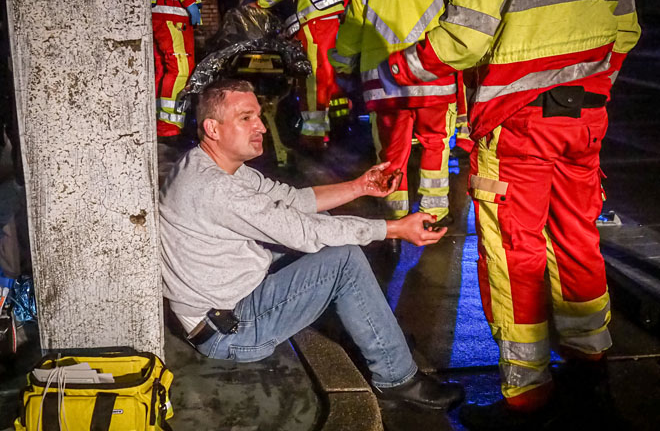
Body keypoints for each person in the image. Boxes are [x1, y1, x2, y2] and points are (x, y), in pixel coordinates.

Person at [378, 0, 640, 428]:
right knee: (577, 243)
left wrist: (399, 66)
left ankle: (528, 399)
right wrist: (590, 82)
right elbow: (626, 30)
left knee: (514, 256)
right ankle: (590, 379)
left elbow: (465, 38)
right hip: (585, 118)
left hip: (517, 123)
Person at [159, 78, 464, 410]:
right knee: (343, 258)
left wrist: (360, 187)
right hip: (228, 331)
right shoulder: (217, 189)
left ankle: (374, 329)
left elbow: (293, 201)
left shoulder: (209, 165)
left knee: (321, 235)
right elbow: (304, 231)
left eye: (259, 116)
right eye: (246, 117)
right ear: (213, 128)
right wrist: (393, 229)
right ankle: (397, 378)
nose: (260, 125)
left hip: (224, 305)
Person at [328, 0, 467, 229]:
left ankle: (395, 215)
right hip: (432, 76)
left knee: (391, 152)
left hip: (383, 83)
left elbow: (350, 35)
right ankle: (434, 214)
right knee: (436, 144)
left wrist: (342, 64)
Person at [253, 0, 351, 151]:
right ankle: (323, 132)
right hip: (330, 13)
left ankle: (313, 137)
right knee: (325, 76)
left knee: (313, 77)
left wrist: (260, 3)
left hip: (315, 15)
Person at [151, 0, 203, 139]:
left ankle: (160, 122)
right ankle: (169, 127)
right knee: (180, 70)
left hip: (166, 13)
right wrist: (191, 4)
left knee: (163, 70)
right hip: (172, 13)